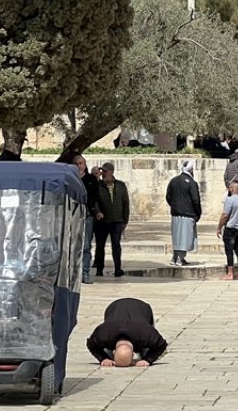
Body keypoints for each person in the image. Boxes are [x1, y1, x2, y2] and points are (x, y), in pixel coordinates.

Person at [87, 298, 168, 367]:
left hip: (141, 307)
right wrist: (104, 358)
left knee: (147, 351)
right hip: (114, 307)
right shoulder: (103, 334)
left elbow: (161, 345)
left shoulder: (146, 334)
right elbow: (91, 344)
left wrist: (148, 360)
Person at [94, 162, 130, 278]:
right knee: (100, 246)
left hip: (116, 221)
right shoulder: (98, 186)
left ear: (111, 172)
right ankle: (99, 269)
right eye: (102, 172)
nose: (103, 174)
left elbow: (125, 203)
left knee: (116, 245)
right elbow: (94, 202)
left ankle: (118, 268)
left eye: (105, 171)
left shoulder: (120, 186)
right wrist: (97, 212)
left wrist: (125, 221)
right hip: (102, 222)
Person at [72, 155, 103, 285]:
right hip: (72, 216)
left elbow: (96, 198)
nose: (80, 166)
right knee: (72, 245)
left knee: (85, 246)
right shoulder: (71, 179)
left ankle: (85, 273)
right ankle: (73, 273)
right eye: (77, 164)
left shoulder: (91, 179)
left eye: (82, 163)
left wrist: (98, 211)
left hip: (87, 215)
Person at [166, 160, 202, 267]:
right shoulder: (192, 183)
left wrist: (174, 206)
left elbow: (168, 197)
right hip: (188, 214)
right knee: (185, 237)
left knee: (177, 237)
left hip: (175, 214)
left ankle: (175, 257)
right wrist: (198, 213)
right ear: (191, 170)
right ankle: (179, 259)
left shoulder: (173, 181)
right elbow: (196, 200)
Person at [217, 180, 238, 280]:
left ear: (233, 189)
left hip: (231, 228)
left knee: (229, 251)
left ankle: (230, 273)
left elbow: (225, 215)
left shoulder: (229, 200)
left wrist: (219, 227)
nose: (228, 189)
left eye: (230, 187)